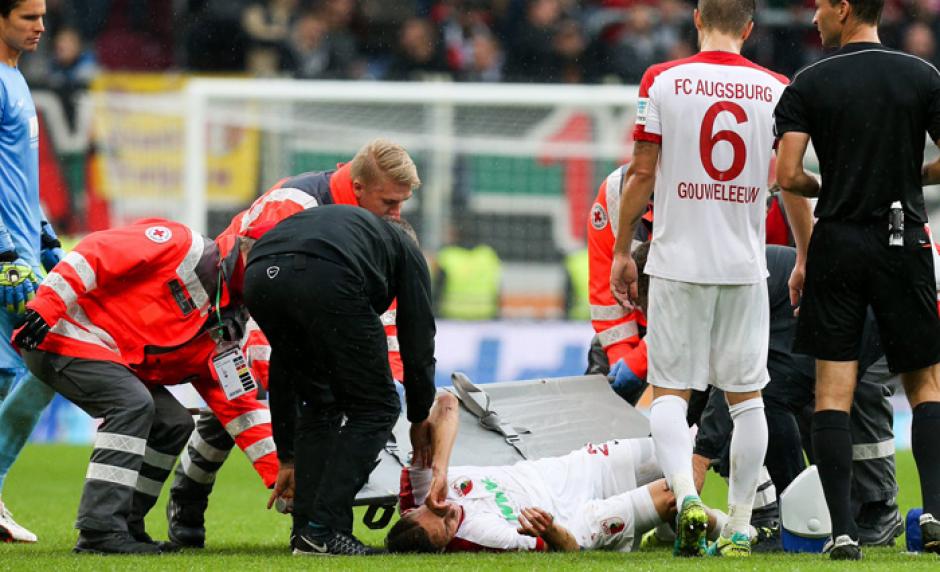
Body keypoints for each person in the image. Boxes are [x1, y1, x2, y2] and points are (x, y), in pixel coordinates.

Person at [166, 138, 421, 547]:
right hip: (237, 308)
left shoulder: (365, 227)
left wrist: (388, 377)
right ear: (358, 187)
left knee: (311, 398)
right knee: (251, 394)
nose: (396, 214)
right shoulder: (293, 204)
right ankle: (191, 497)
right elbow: (264, 280)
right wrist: (288, 458)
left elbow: (381, 313)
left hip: (295, 305)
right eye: (389, 203)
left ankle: (304, 519)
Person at [609, 0, 789, 557]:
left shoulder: (663, 79)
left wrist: (621, 250)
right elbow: (786, 181)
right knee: (747, 398)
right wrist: (803, 252)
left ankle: (686, 497)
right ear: (750, 28)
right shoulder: (777, 87)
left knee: (669, 390)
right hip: (743, 264)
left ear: (695, 19)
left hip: (677, 260)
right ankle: (737, 524)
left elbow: (641, 172)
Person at [773, 0, 940, 560]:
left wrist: (832, 184)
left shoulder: (810, 82)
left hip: (839, 241)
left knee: (833, 393)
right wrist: (911, 176)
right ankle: (936, 511)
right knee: (924, 386)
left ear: (844, 10)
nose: (815, 17)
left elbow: (789, 175)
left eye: (821, 6)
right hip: (904, 236)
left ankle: (843, 532)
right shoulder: (921, 75)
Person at [10, 219, 270, 554]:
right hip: (59, 333)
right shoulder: (181, 245)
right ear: (249, 254)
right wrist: (46, 306)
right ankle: (99, 531)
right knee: (132, 403)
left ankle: (126, 526)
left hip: (106, 356)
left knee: (173, 424)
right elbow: (94, 252)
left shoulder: (229, 322)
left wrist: (282, 477)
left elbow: (241, 406)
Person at [243, 205, 437, 556]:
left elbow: (284, 370)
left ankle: (305, 532)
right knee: (377, 407)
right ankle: (324, 529)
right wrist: (420, 414)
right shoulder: (405, 249)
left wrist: (287, 456)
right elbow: (418, 337)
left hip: (258, 273)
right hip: (324, 274)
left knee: (320, 402)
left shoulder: (347, 231)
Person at [385, 392, 750, 554]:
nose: (449, 511)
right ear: (446, 545)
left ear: (412, 511)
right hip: (581, 517)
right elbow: (568, 547)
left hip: (584, 467)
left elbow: (446, 402)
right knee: (674, 495)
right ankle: (738, 529)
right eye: (447, 527)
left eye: (438, 512)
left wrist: (440, 469)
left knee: (687, 443)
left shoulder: (419, 487)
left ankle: (682, 531)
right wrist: (552, 530)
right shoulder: (481, 538)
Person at [0, 0, 64, 544]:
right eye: (27, 16)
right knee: (49, 355)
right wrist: (4, 254)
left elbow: (18, 175)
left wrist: (44, 236)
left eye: (41, 15)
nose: (40, 26)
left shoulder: (17, 80)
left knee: (26, 367)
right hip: (4, 260)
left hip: (23, 252)